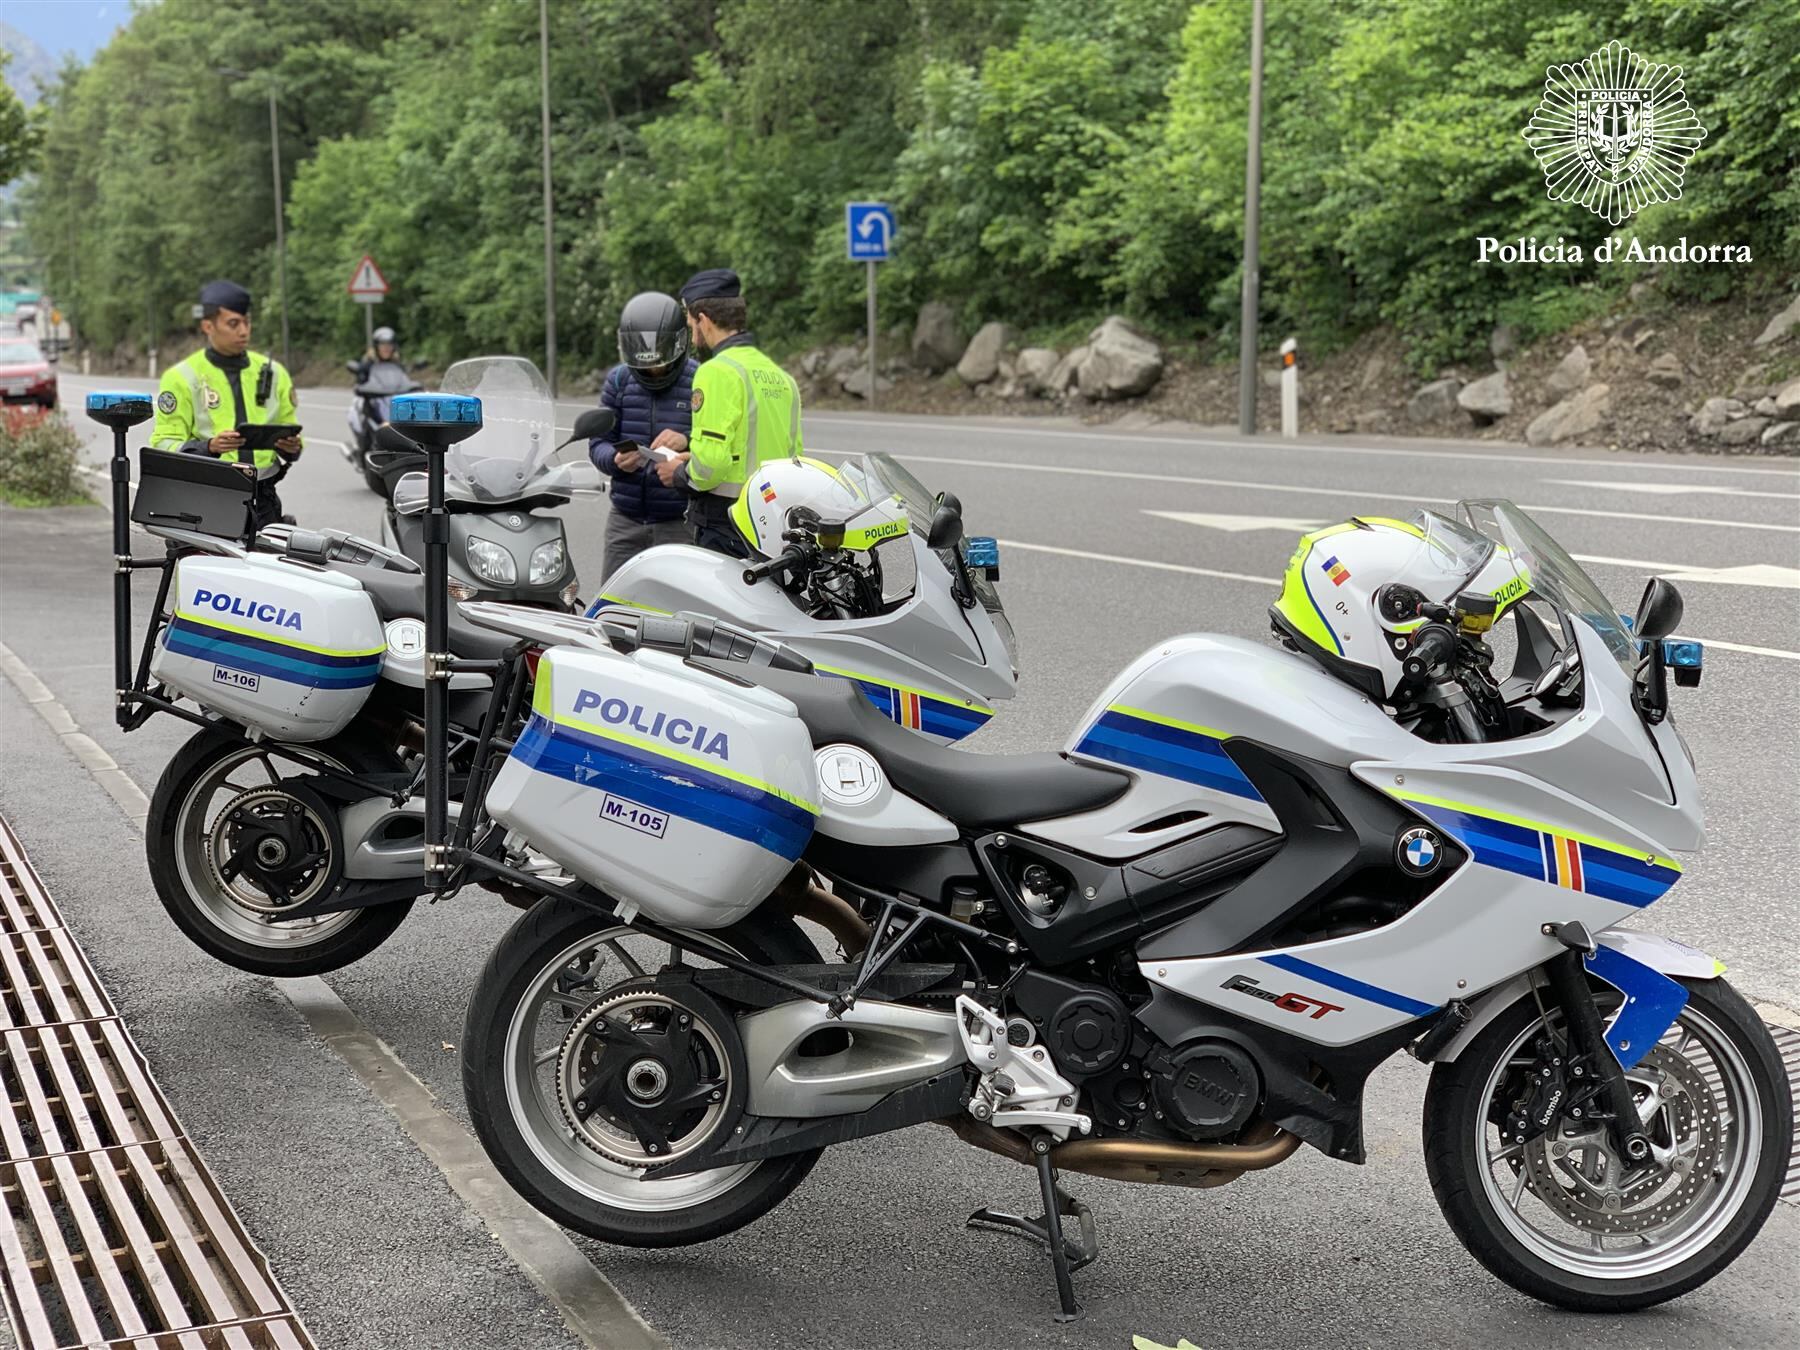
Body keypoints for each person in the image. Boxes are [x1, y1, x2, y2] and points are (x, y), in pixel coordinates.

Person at [657, 268, 803, 558]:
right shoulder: (781, 377)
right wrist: (692, 455)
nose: (688, 325)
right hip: (772, 522)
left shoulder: (715, 371)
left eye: (689, 319)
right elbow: (790, 455)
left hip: (726, 524)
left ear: (704, 320)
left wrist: (679, 473)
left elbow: (711, 465)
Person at [150, 280, 302, 529]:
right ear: (208, 326)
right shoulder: (181, 377)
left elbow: (291, 433)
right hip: (208, 498)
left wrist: (290, 448)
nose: (244, 331)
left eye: (247, 322)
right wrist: (209, 447)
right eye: (233, 324)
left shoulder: (274, 373)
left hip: (263, 501)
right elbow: (163, 444)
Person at [589, 292, 698, 582]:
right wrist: (614, 460)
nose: (653, 369)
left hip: (679, 522)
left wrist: (687, 439)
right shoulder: (619, 380)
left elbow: (720, 447)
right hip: (625, 519)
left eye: (659, 361)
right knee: (611, 606)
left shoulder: (700, 380)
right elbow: (597, 442)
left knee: (677, 611)